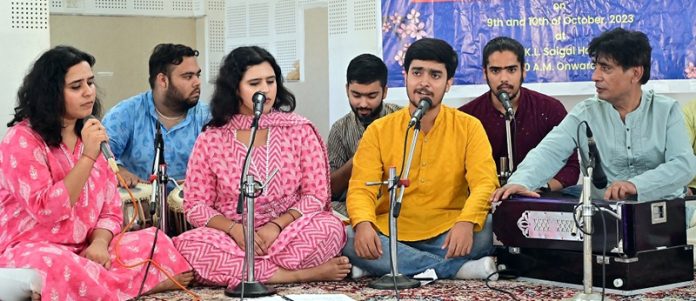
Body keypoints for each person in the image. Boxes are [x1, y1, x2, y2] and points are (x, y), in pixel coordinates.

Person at [0, 46, 192, 300]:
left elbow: (111, 207)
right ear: (50, 93)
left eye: (90, 82)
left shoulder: (91, 133)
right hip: (33, 248)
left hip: (88, 247)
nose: (88, 91)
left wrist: (100, 243)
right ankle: (141, 285)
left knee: (155, 240)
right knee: (51, 267)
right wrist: (88, 157)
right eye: (76, 86)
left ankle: (103, 285)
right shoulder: (21, 140)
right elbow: (47, 210)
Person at [173, 46, 350, 289]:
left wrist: (276, 226)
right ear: (235, 88)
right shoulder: (212, 138)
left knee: (328, 227)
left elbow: (316, 196)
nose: (265, 90)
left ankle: (247, 271)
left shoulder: (299, 130)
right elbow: (195, 205)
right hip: (232, 237)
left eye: (270, 81)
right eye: (254, 83)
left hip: (288, 232)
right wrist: (235, 231)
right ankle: (295, 275)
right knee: (188, 245)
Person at [344, 38, 499, 280]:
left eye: (435, 75)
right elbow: (361, 189)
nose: (424, 83)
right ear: (405, 75)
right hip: (392, 229)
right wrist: (363, 223)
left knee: (492, 228)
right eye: (417, 72)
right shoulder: (378, 130)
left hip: (447, 231)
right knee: (347, 236)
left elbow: (485, 183)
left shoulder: (469, 127)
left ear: (449, 83)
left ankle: (389, 265)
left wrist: (467, 222)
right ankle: (457, 269)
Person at [491, 28, 696, 203]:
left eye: (605, 68)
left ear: (635, 73)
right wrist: (520, 182)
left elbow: (683, 165)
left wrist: (635, 185)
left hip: (665, 215)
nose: (595, 76)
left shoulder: (666, 110)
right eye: (595, 67)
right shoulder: (585, 113)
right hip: (605, 221)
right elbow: (548, 152)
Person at [460, 37, 579, 191]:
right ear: (485, 73)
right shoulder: (467, 116)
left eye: (511, 70)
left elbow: (571, 167)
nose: (504, 79)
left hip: (538, 200)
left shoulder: (549, 109)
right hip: (485, 204)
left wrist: (539, 188)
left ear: (523, 70)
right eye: (495, 70)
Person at [103, 43, 210, 188]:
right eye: (188, 77)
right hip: (141, 208)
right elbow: (97, 157)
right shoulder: (126, 114)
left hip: (192, 207)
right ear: (163, 80)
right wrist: (118, 170)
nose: (197, 82)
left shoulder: (208, 117)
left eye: (197, 75)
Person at [327, 54, 401, 215]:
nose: (363, 104)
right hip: (355, 210)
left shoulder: (402, 120)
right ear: (347, 90)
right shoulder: (340, 130)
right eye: (356, 95)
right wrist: (358, 158)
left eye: (371, 96)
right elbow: (329, 191)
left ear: (385, 92)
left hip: (397, 208)